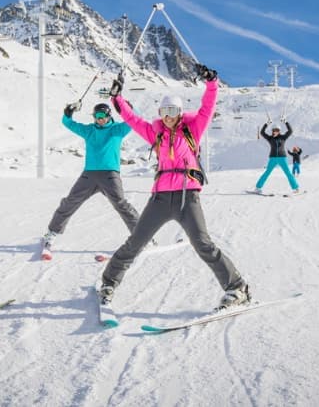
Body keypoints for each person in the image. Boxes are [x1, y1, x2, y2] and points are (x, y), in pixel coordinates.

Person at [99, 65, 250, 310]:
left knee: (203, 243)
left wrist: (212, 83)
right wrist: (117, 98)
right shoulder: (155, 134)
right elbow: (132, 119)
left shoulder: (193, 130)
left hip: (186, 196)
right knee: (136, 241)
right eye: (164, 111)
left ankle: (237, 287)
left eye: (173, 111)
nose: (168, 115)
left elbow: (208, 107)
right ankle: (108, 282)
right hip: (160, 198)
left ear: (180, 113)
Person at [41, 102, 140, 252]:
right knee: (70, 202)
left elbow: (135, 118)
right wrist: (68, 113)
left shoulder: (118, 130)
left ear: (108, 116)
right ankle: (51, 233)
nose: (99, 119)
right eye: (96, 116)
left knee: (121, 204)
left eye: (102, 116)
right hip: (89, 175)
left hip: (110, 175)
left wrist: (127, 107)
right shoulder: (89, 130)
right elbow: (69, 124)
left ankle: (142, 236)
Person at [254, 122, 300, 194]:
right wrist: (266, 124)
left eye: (277, 130)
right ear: (272, 131)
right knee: (267, 172)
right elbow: (262, 132)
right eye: (274, 130)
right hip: (273, 158)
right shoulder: (270, 138)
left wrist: (286, 122)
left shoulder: (283, 137)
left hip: (282, 158)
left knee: (288, 173)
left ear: (279, 131)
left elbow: (290, 131)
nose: (275, 131)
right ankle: (258, 187)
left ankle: (296, 188)